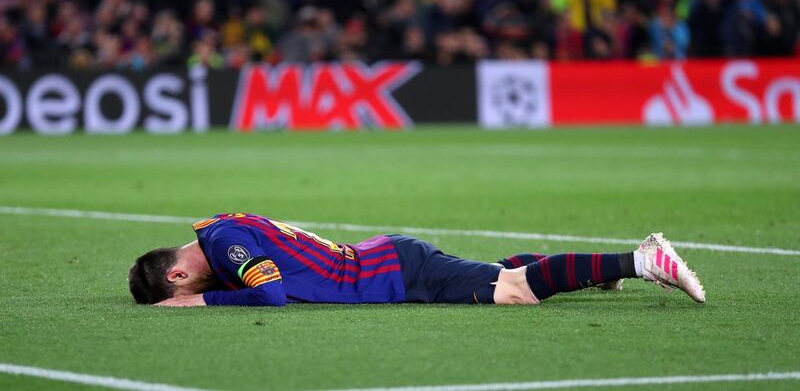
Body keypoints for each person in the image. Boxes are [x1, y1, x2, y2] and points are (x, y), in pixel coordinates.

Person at [128, 213, 705, 307]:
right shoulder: (219, 230)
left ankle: (641, 259)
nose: (192, 295)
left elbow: (272, 294)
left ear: (177, 275)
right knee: (494, 270)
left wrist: (202, 301)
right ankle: (597, 278)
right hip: (386, 259)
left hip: (394, 271)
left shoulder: (224, 246)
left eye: (180, 293)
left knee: (515, 289)